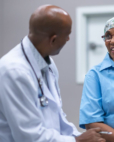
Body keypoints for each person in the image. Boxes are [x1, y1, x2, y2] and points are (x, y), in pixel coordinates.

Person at [0, 5, 106, 142]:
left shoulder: (48, 64)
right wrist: (78, 141)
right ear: (53, 40)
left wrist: (78, 136)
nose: (68, 39)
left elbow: (58, 117)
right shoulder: (14, 72)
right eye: (67, 35)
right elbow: (28, 137)